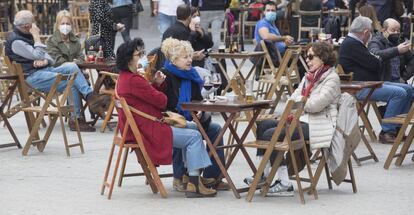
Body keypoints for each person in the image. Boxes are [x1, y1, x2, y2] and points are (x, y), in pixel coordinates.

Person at [115, 38, 216, 198]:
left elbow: (146, 98)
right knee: (195, 136)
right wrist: (156, 87)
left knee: (193, 127)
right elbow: (162, 101)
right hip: (148, 129)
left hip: (141, 126)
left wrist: (155, 84)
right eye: (138, 54)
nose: (142, 56)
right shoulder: (134, 80)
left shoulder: (125, 77)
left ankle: (188, 176)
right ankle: (194, 184)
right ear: (129, 58)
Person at [245, 42, 341, 197]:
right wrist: (302, 101)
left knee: (271, 134)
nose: (307, 60)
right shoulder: (309, 77)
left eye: (311, 57)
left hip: (319, 123)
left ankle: (284, 183)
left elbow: (315, 105)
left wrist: (301, 101)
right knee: (263, 125)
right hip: (302, 118)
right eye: (306, 57)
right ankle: (263, 174)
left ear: (322, 58)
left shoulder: (332, 78)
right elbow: (292, 98)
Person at [5, 10, 107, 132]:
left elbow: (48, 58)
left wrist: (45, 61)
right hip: (31, 78)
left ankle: (90, 98)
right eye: (34, 22)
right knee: (73, 80)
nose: (36, 25)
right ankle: (77, 118)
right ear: (28, 26)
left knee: (71, 67)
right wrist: (37, 38)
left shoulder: (26, 36)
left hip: (43, 71)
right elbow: (39, 54)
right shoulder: (17, 41)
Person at [160, 38, 229, 191]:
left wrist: (200, 111)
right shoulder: (165, 75)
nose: (190, 60)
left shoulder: (191, 75)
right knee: (187, 127)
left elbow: (198, 100)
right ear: (174, 59)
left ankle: (212, 176)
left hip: (193, 117)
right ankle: (179, 176)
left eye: (190, 56)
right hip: (172, 120)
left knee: (216, 129)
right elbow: (164, 105)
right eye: (185, 57)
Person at [339, 16, 411, 143]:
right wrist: (376, 59)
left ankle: (399, 128)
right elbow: (375, 63)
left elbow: (375, 60)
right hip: (360, 87)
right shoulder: (352, 44)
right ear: (366, 32)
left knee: (409, 89)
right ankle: (387, 131)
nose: (371, 35)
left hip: (369, 83)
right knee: (400, 93)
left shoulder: (355, 43)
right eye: (370, 32)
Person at [368, 18, 414, 82]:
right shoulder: (375, 42)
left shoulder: (400, 42)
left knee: (410, 89)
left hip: (399, 80)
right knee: (404, 91)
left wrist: (404, 77)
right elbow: (376, 54)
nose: (396, 33)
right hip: (383, 81)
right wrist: (397, 50)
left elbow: (412, 59)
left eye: (398, 31)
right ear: (384, 30)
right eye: (393, 30)